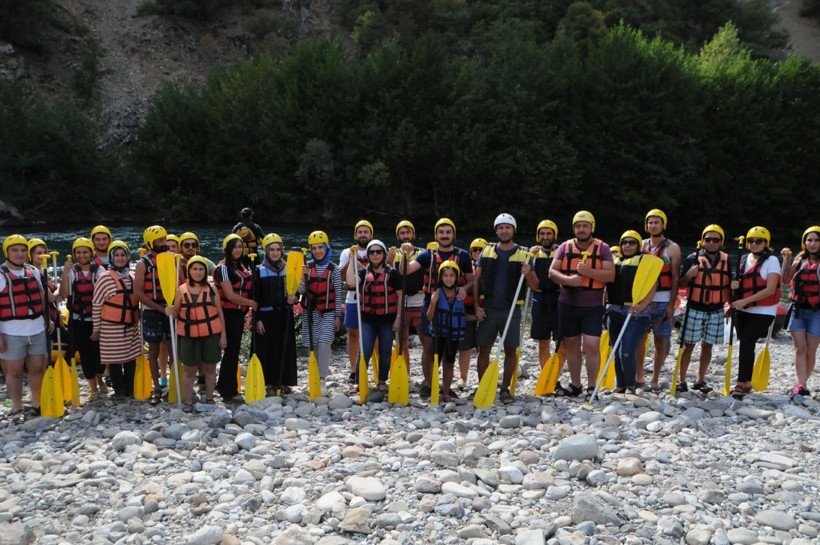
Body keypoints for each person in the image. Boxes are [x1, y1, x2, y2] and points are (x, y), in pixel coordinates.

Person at [400, 218, 473, 398]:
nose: (445, 235)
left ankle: (446, 386)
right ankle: (428, 382)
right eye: (441, 232)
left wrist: (464, 288)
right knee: (429, 344)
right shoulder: (427, 255)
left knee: (448, 346)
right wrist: (404, 254)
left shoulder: (462, 256)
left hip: (451, 304)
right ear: (436, 235)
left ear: (453, 234)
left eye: (448, 232)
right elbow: (405, 271)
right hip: (431, 301)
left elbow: (471, 280)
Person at [548, 210, 615, 398]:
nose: (581, 229)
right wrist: (568, 280)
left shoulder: (603, 248)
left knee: (592, 345)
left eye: (585, 226)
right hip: (568, 303)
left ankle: (592, 386)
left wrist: (589, 272)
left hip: (592, 305)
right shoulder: (565, 247)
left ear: (591, 227)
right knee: (571, 344)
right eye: (578, 226)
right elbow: (552, 272)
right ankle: (576, 384)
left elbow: (610, 275)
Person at [473, 213, 530, 404]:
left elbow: (535, 284)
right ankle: (483, 385)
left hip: (511, 309)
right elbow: (476, 280)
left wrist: (528, 273)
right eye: (501, 228)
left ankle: (505, 389)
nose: (504, 231)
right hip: (488, 307)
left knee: (510, 350)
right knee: (484, 349)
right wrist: (476, 306)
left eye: (507, 227)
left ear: (513, 230)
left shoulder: (525, 254)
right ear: (496, 230)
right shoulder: (486, 251)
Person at [677, 225, 732, 393]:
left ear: (721, 242)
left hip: (715, 309)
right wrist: (688, 275)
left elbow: (728, 285)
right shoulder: (692, 259)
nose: (711, 243)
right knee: (688, 345)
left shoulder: (727, 259)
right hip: (695, 307)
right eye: (708, 239)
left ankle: (700, 380)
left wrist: (729, 304)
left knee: (707, 346)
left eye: (716, 240)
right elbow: (681, 284)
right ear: (702, 241)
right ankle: (682, 380)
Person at [0, 235, 50, 424]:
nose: (20, 254)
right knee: (14, 371)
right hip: (11, 331)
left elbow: (42, 297)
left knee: (37, 368)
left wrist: (48, 320)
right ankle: (17, 406)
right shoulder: (1, 275)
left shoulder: (33, 271)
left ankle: (37, 403)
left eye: (23, 250)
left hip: (36, 328)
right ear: (7, 252)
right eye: (15, 250)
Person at [729, 226, 782, 399]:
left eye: (758, 241)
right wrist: (734, 286)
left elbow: (770, 289)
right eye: (751, 241)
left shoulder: (772, 260)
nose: (754, 244)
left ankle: (742, 382)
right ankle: (745, 382)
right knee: (745, 344)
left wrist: (744, 301)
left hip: (764, 310)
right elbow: (742, 283)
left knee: (746, 341)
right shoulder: (744, 259)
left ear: (766, 243)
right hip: (745, 309)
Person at [168, 256, 227, 411]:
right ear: (189, 271)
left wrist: (223, 335)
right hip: (188, 336)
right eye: (195, 269)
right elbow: (176, 314)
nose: (198, 272)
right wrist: (169, 311)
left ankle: (209, 398)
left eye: (201, 269)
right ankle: (188, 402)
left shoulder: (212, 289)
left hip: (210, 334)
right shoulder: (181, 290)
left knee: (210, 368)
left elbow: (220, 313)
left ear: (205, 271)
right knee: (189, 370)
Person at [346, 240, 403, 392]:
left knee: (385, 352)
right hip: (367, 320)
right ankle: (359, 381)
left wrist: (398, 318)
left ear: (384, 254)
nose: (375, 255)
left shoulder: (393, 274)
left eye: (378, 252)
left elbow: (399, 297)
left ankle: (382, 380)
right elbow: (350, 282)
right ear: (368, 255)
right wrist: (352, 259)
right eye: (372, 252)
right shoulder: (364, 273)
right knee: (364, 351)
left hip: (387, 320)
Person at [605, 230, 656, 393]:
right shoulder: (614, 260)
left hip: (636, 313)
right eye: (624, 242)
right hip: (614, 311)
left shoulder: (645, 262)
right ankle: (620, 384)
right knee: (616, 350)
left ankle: (630, 385)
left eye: (632, 242)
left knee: (625, 352)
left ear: (638, 245)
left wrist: (641, 306)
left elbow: (652, 288)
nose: (627, 245)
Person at [636, 209, 681, 392]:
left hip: (663, 300)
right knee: (640, 339)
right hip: (643, 300)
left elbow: (676, 278)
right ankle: (639, 375)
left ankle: (655, 378)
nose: (653, 225)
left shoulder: (673, 248)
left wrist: (672, 304)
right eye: (650, 222)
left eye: (657, 222)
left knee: (660, 341)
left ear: (663, 225)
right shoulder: (640, 245)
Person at [91, 241, 142, 399]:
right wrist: (96, 329)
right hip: (111, 326)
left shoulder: (133, 276)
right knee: (114, 360)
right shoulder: (105, 278)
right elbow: (97, 304)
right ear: (111, 258)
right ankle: (119, 391)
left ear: (128, 257)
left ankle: (130, 389)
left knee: (131, 358)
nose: (120, 258)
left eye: (123, 255)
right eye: (117, 255)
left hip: (131, 325)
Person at [60, 237, 105, 401]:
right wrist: (65, 272)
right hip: (78, 320)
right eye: (78, 252)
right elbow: (65, 294)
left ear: (91, 253)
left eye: (85, 252)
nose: (81, 255)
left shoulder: (99, 271)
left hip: (96, 319)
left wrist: (98, 326)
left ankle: (101, 381)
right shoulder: (72, 272)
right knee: (85, 355)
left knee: (99, 354)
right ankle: (93, 388)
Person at [299, 231, 343, 396]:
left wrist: (338, 316)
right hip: (311, 312)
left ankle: (323, 379)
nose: (317, 251)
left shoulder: (334, 269)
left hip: (329, 312)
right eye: (314, 248)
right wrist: (302, 277)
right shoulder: (307, 266)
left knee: (325, 341)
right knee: (314, 344)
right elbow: (300, 290)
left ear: (326, 247)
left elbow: (338, 294)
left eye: (320, 247)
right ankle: (315, 376)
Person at [253, 234, 298, 394]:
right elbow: (255, 298)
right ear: (266, 251)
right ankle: (269, 382)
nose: (275, 253)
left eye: (278, 249)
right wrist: (257, 319)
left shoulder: (288, 269)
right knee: (267, 349)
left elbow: (296, 292)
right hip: (266, 316)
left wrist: (295, 298)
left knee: (284, 347)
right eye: (271, 249)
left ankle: (283, 381)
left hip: (285, 314)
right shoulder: (259, 270)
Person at [214, 233, 256, 401]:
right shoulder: (223, 269)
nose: (237, 250)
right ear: (227, 249)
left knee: (234, 351)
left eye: (240, 246)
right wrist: (251, 303)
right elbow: (230, 296)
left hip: (239, 314)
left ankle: (225, 385)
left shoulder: (243, 267)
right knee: (231, 351)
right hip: (228, 314)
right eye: (234, 247)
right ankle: (227, 390)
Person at [132, 225, 172, 406]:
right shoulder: (143, 264)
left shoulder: (172, 259)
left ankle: (174, 385)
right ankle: (156, 387)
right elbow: (138, 293)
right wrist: (159, 308)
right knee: (154, 351)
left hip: (170, 308)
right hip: (152, 311)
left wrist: (171, 308)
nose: (163, 243)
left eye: (164, 239)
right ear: (150, 243)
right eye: (159, 240)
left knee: (173, 350)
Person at [781, 226, 820, 397]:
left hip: (817, 312)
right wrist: (786, 260)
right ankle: (801, 384)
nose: (812, 243)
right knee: (800, 349)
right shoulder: (799, 260)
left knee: (811, 351)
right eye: (809, 240)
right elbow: (785, 280)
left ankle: (804, 381)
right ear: (804, 242)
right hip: (798, 310)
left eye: (816, 240)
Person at [523, 220, 560, 370]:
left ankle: (556, 374)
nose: (545, 237)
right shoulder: (533, 255)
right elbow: (534, 285)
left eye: (548, 233)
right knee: (543, 342)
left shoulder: (561, 252)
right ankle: (546, 373)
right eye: (542, 234)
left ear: (554, 235)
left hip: (559, 300)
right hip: (540, 300)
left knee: (560, 342)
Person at [428, 260, 467, 403]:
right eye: (445, 276)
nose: (449, 279)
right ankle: (433, 389)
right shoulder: (437, 294)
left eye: (452, 276)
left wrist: (478, 316)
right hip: (439, 333)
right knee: (435, 361)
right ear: (440, 278)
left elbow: (463, 313)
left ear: (456, 277)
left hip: (453, 334)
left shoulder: (461, 293)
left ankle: (446, 391)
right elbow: (429, 316)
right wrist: (432, 303)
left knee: (449, 362)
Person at [339, 220, 373, 382]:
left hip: (373, 299)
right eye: (360, 232)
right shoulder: (347, 252)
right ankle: (353, 370)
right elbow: (340, 275)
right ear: (355, 235)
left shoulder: (377, 250)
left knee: (376, 336)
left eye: (366, 232)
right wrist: (350, 259)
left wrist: (358, 263)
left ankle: (377, 369)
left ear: (371, 235)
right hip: (353, 299)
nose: (363, 235)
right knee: (353, 335)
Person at [457, 238, 486, 389]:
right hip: (467, 308)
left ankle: (484, 377)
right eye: (475, 250)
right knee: (465, 346)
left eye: (481, 250)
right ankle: (463, 377)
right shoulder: (465, 267)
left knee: (484, 345)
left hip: (484, 308)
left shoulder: (490, 266)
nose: (477, 253)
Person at [394, 220, 424, 362]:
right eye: (402, 233)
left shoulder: (422, 253)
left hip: (419, 300)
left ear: (413, 234)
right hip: (402, 302)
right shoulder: (393, 254)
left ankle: (428, 374)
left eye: (408, 232)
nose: (405, 236)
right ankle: (405, 373)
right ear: (398, 236)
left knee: (425, 339)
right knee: (402, 341)